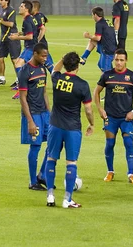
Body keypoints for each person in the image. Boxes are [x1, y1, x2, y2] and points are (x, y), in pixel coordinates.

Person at [45, 52, 94, 209]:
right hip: (72, 128)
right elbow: (87, 109)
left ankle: (50, 195)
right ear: (78, 66)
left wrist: (62, 58)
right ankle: (67, 199)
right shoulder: (82, 85)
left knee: (51, 159)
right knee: (71, 162)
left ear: (65, 64)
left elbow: (54, 70)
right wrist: (91, 124)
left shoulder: (56, 79)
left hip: (54, 125)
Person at [94, 49, 133, 184]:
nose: (118, 62)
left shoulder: (132, 77)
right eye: (116, 59)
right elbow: (96, 92)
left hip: (126, 119)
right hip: (110, 117)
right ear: (113, 60)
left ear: (126, 61)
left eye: (121, 60)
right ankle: (110, 171)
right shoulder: (107, 75)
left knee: (128, 143)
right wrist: (100, 109)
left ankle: (131, 174)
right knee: (110, 143)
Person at [18, 43, 51, 191]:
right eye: (43, 55)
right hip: (33, 114)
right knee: (36, 146)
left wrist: (50, 114)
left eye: (46, 55)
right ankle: (32, 182)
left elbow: (44, 93)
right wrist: (30, 121)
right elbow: (23, 98)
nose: (45, 58)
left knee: (53, 143)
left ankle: (42, 175)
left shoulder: (43, 69)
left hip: (44, 113)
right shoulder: (25, 71)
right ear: (35, 54)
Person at [8, 0, 38, 99]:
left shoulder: (27, 20)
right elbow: (29, 31)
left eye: (21, 6)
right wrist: (18, 34)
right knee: (27, 68)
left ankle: (23, 88)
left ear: (26, 9)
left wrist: (16, 38)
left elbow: (29, 36)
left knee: (18, 64)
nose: (19, 7)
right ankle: (25, 86)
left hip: (31, 47)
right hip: (33, 47)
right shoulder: (30, 18)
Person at [80, 7, 116, 73]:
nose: (92, 17)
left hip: (108, 51)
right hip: (110, 47)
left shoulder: (99, 24)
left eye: (92, 15)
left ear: (95, 15)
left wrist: (87, 36)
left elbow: (98, 38)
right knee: (92, 41)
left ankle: (115, 80)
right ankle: (83, 58)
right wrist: (91, 37)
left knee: (106, 73)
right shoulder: (107, 22)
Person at [31, 0, 55, 73]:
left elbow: (43, 29)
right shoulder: (41, 15)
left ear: (35, 8)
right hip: (43, 42)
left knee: (47, 63)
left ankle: (56, 76)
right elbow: (46, 20)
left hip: (40, 43)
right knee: (47, 62)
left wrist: (38, 40)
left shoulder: (35, 17)